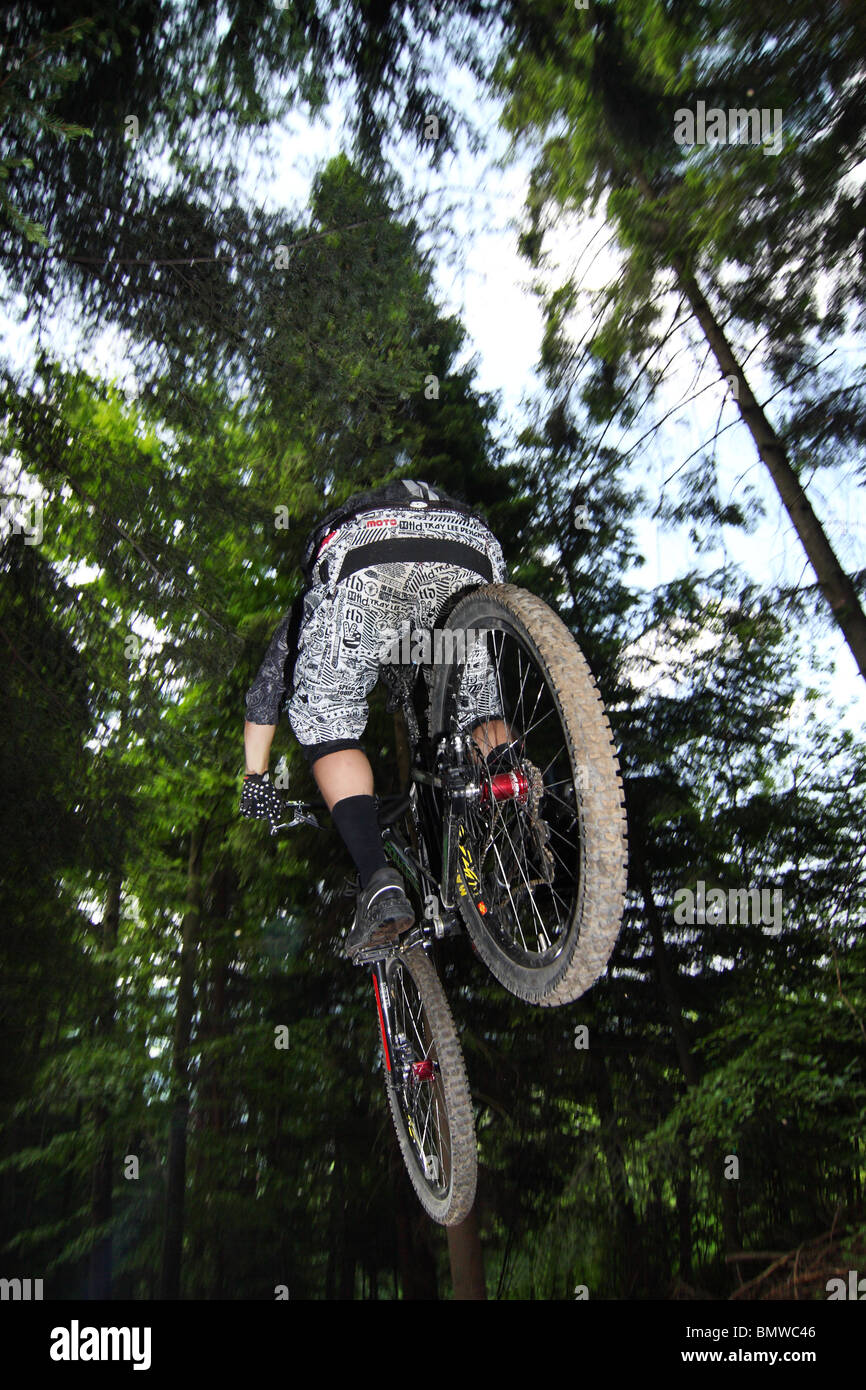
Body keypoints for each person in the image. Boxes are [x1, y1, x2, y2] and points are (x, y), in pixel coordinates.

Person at [239, 479, 511, 957]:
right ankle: (519, 821)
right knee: (478, 711)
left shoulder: (312, 603)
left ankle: (379, 883)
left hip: (364, 551)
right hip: (472, 547)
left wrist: (255, 777)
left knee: (328, 718)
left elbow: (266, 691)